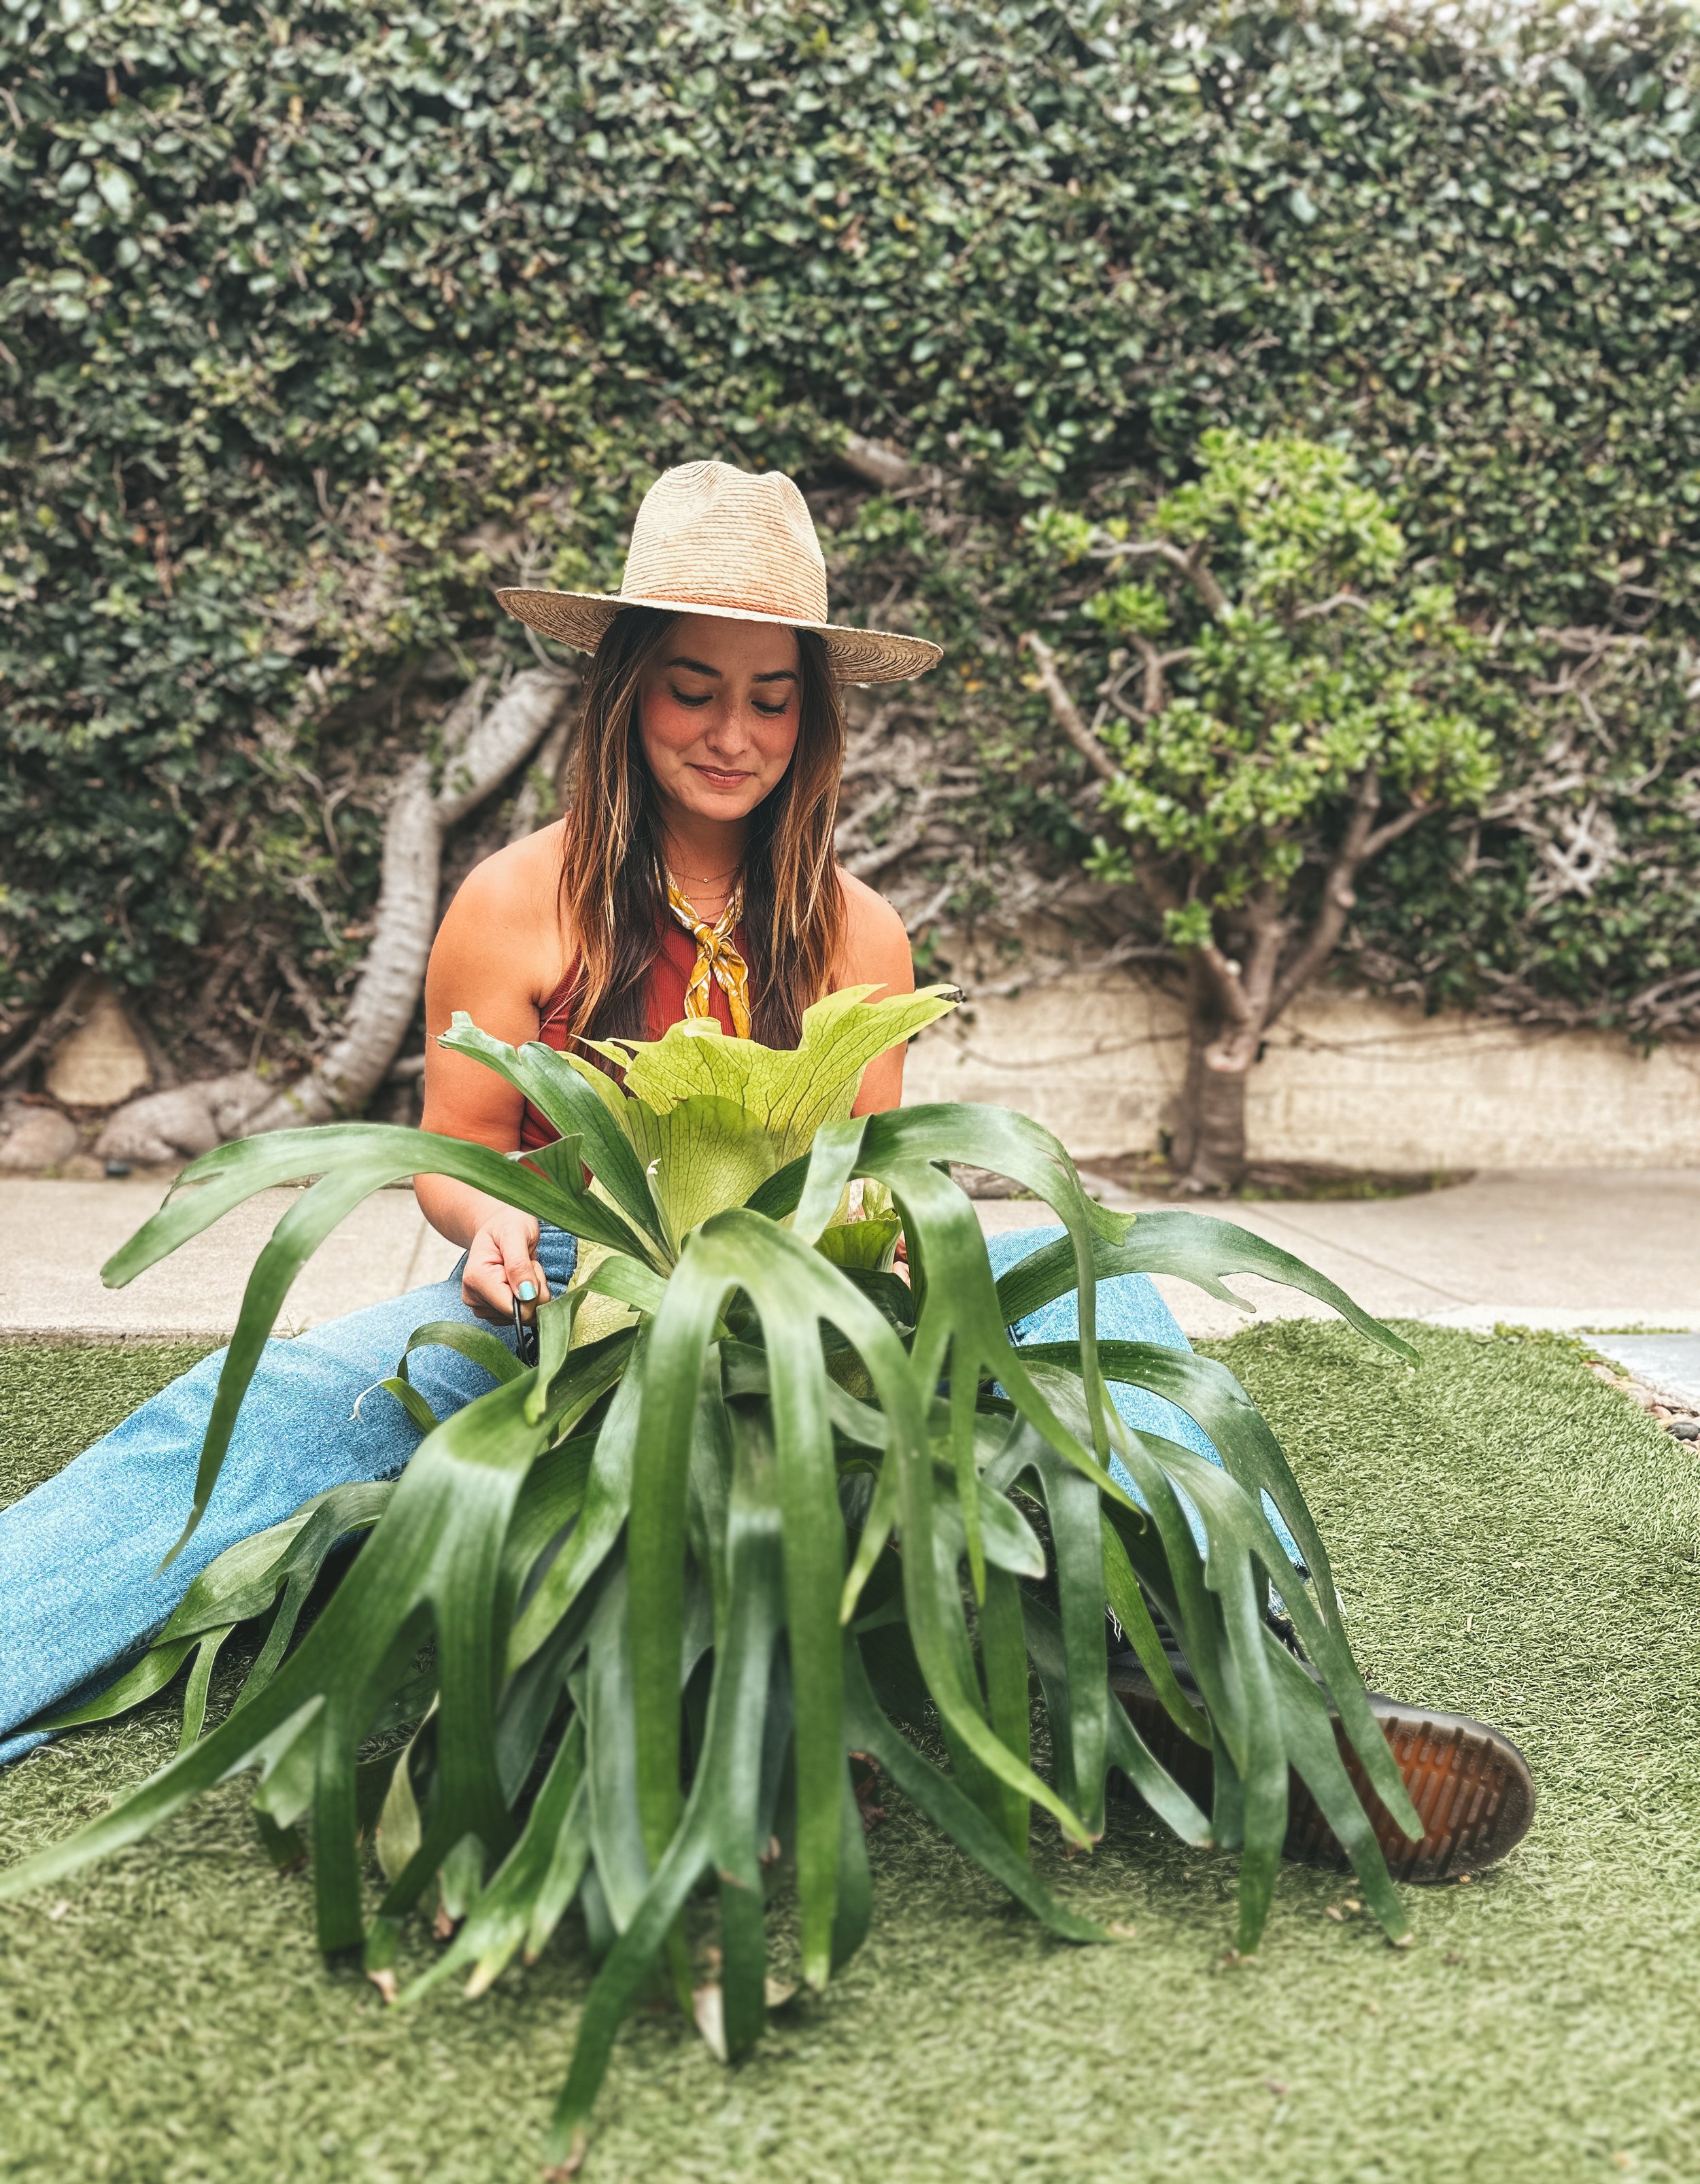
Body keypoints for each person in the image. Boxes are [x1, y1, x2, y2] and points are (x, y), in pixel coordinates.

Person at [0, 462, 1531, 1887]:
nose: (729, 733)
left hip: (809, 1342)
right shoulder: (513, 900)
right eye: (689, 689)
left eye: (769, 700)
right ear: (623, 691)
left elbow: (864, 1185)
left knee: (1104, 1280)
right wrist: (493, 1241)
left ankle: (1245, 1687)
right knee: (255, 1410)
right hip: (559, 1311)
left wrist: (894, 1274)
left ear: (812, 721)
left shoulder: (861, 935)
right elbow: (457, 1158)